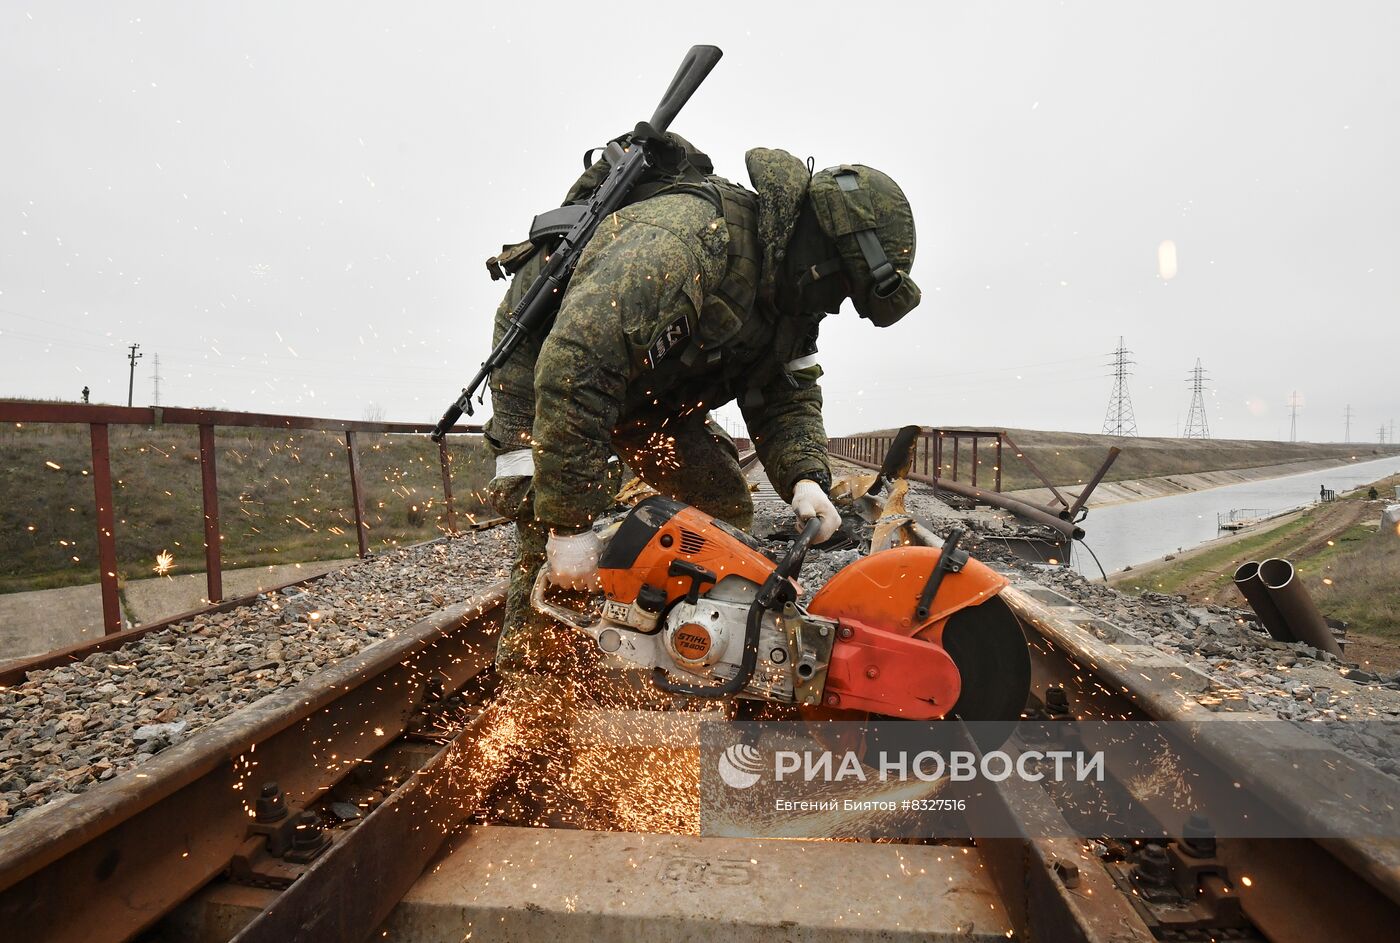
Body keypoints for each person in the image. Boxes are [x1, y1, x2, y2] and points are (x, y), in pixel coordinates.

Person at [480, 139, 920, 682]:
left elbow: (786, 394)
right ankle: (530, 695)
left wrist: (806, 477)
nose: (835, 305)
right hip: (549, 376)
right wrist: (569, 524)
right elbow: (575, 372)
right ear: (823, 251)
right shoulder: (683, 242)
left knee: (717, 511)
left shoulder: (789, 297)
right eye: (843, 288)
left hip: (648, 392)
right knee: (548, 543)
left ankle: (678, 658)